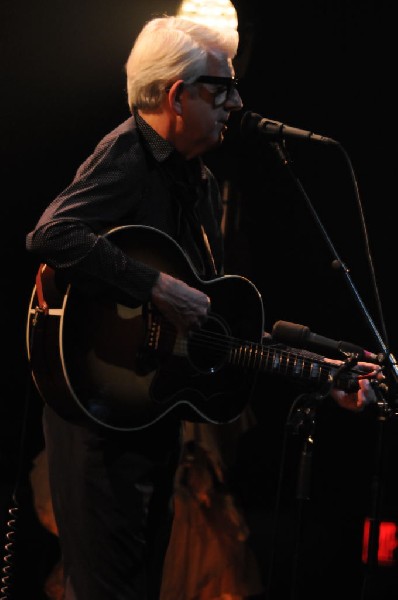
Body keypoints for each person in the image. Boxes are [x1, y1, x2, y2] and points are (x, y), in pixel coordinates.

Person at [26, 14, 381, 600]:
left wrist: (323, 376)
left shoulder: (201, 181)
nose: (236, 104)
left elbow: (215, 324)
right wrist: (154, 287)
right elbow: (50, 234)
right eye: (222, 89)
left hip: (153, 416)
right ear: (177, 94)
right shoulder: (128, 152)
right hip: (99, 416)